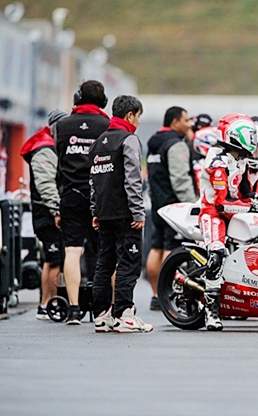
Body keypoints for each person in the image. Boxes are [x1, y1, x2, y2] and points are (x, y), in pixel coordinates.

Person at [89, 95, 152, 333]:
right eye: (138, 116)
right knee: (129, 263)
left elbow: (93, 182)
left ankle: (101, 316)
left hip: (104, 213)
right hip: (126, 215)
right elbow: (133, 180)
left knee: (104, 264)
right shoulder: (129, 139)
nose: (138, 122)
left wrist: (95, 211)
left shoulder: (99, 142)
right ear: (129, 115)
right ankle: (125, 315)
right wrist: (138, 213)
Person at [198, 113, 258, 331]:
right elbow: (221, 203)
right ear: (238, 136)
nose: (254, 141)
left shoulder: (240, 159)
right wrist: (249, 206)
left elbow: (245, 191)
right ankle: (211, 314)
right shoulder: (218, 161)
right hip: (213, 213)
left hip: (234, 212)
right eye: (251, 136)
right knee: (217, 255)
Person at [54, 80, 110, 324]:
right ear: (103, 101)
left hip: (71, 195)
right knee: (103, 252)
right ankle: (103, 308)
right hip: (100, 197)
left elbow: (57, 159)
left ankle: (74, 308)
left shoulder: (62, 125)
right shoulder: (107, 125)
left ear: (78, 98)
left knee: (72, 251)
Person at [146, 106, 197, 310]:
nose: (189, 124)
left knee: (156, 248)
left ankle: (155, 295)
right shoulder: (175, 145)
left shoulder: (154, 143)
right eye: (186, 120)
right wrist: (194, 206)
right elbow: (180, 180)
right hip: (175, 208)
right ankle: (166, 293)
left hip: (157, 205)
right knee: (171, 250)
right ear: (175, 122)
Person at [20, 110, 67, 320]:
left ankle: (47, 303)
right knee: (54, 260)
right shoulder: (45, 149)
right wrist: (56, 210)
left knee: (53, 259)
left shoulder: (48, 146)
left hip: (47, 211)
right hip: (46, 213)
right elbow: (46, 184)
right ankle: (48, 304)